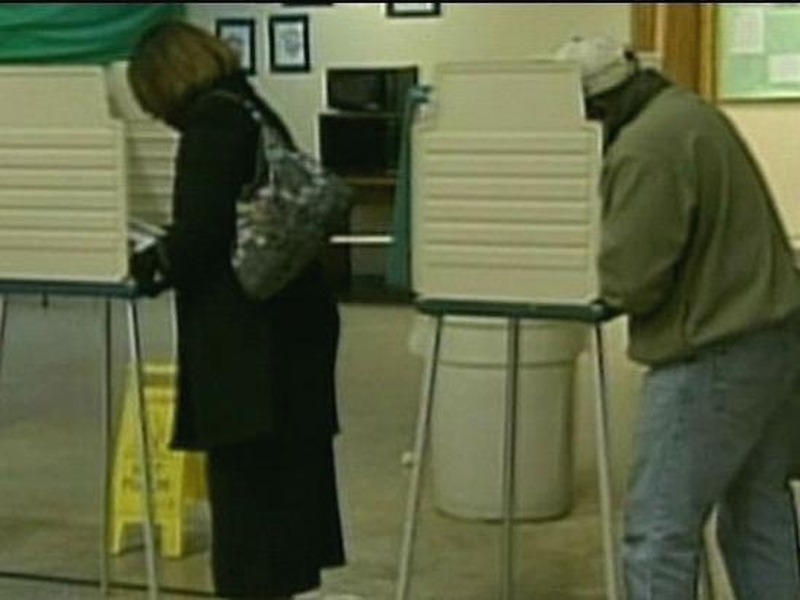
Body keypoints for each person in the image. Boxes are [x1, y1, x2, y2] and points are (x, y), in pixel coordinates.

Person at [556, 36, 800, 599]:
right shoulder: (690, 113)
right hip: (774, 337)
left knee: (658, 532)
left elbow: (632, 281)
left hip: (712, 353)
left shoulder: (644, 148)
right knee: (758, 512)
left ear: (596, 106)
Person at [127, 20, 345, 600]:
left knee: (248, 505)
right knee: (285, 495)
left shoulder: (212, 124)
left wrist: (148, 261)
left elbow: (201, 235)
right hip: (292, 322)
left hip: (249, 346)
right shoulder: (249, 107)